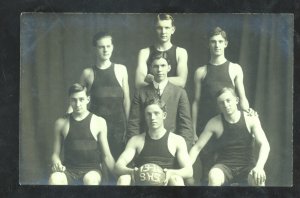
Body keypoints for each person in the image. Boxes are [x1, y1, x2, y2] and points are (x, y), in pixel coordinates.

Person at [191, 27, 254, 183]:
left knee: (227, 170)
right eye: (213, 42)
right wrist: (193, 130)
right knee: (208, 173)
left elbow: (242, 97)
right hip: (206, 127)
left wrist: (249, 113)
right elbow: (196, 102)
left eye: (220, 42)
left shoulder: (234, 68)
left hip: (229, 127)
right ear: (208, 44)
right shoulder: (201, 71)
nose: (217, 45)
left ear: (226, 44)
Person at [189, 87, 270, 186]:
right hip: (224, 166)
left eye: (228, 101)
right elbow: (197, 147)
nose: (226, 105)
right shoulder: (214, 123)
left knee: (258, 178)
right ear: (218, 105)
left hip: (247, 166)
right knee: (213, 175)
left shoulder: (250, 119)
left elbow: (265, 145)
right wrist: (186, 167)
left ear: (236, 100)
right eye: (221, 103)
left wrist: (259, 167)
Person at [115, 98, 193, 186]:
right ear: (145, 117)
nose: (152, 118)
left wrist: (171, 173)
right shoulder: (135, 140)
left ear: (164, 115)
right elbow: (118, 166)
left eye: (156, 113)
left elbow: (189, 171)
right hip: (141, 185)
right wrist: (132, 172)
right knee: (123, 178)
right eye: (148, 114)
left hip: (166, 184)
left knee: (176, 179)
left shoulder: (177, 140)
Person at [78, 32, 130, 161]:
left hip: (118, 127)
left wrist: (129, 126)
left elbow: (126, 100)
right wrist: (67, 118)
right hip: (95, 126)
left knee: (117, 164)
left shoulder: (121, 69)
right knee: (97, 165)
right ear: (95, 49)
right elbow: (78, 99)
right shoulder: (87, 73)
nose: (105, 50)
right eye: (101, 47)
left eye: (108, 46)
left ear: (112, 47)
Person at [49, 84, 115, 185]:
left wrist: (118, 175)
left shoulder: (99, 122)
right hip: (68, 170)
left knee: (90, 180)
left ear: (88, 99)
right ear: (69, 100)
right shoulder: (61, 123)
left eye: (81, 99)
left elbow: (107, 156)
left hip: (92, 171)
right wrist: (57, 164)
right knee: (54, 179)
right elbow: (55, 154)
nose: (77, 104)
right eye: (73, 100)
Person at [127, 53, 194, 150]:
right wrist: (135, 149)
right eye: (156, 66)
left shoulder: (179, 93)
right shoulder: (140, 93)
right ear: (151, 68)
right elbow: (134, 125)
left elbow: (186, 126)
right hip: (145, 146)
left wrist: (182, 150)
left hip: (171, 146)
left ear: (169, 68)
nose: (159, 70)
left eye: (163, 66)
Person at [135, 13, 188, 89]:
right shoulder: (144, 52)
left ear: (172, 30)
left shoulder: (181, 52)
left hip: (172, 99)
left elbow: (181, 82)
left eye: (167, 28)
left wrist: (153, 79)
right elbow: (139, 83)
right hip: (150, 99)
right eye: (159, 28)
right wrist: (170, 80)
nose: (163, 32)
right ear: (155, 29)